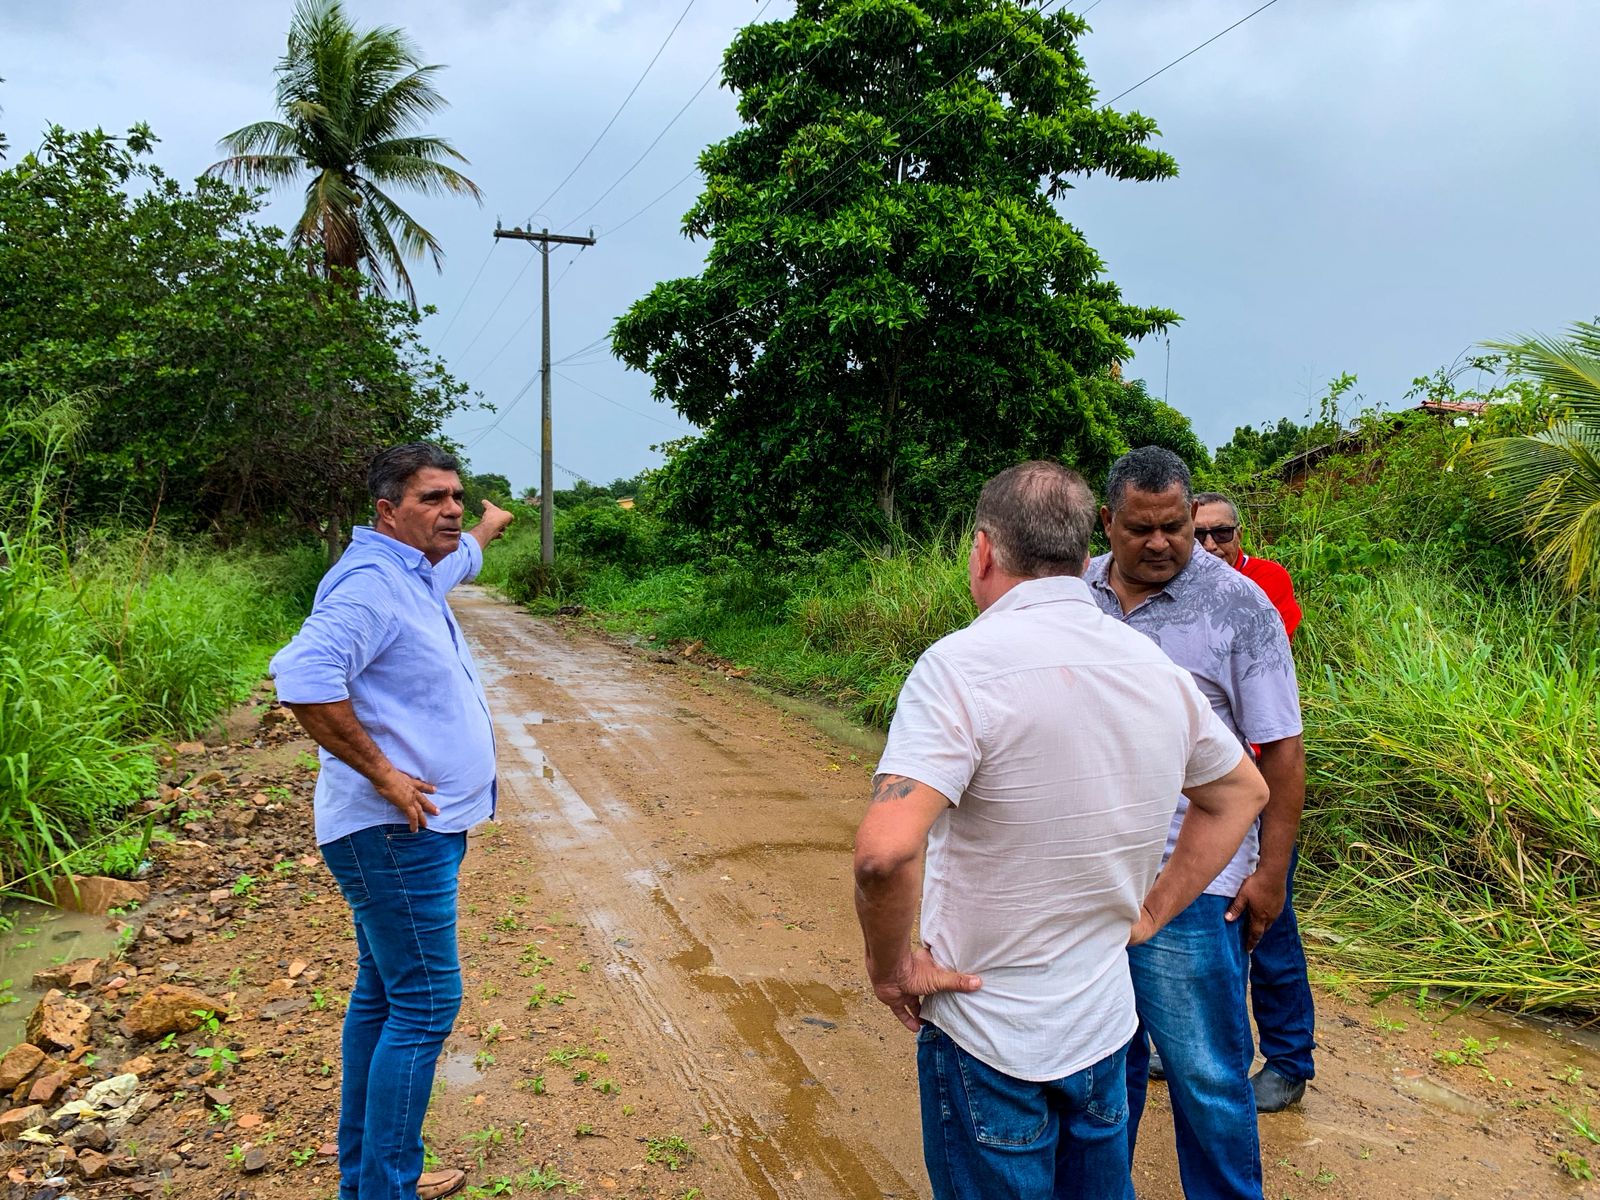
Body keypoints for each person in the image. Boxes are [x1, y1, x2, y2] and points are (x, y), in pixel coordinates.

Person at [853, 461, 1270, 1200]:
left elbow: (885, 853)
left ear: (982, 550)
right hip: (1103, 1028)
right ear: (1088, 551)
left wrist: (894, 970)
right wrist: (1153, 911)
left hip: (988, 1031)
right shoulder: (1150, 666)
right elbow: (1242, 794)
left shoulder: (960, 666)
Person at [270, 443, 514, 1200]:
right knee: (428, 1001)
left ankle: (366, 1180)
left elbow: (458, 559)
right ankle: (384, 1188)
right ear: (387, 511)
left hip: (409, 837)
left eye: (456, 497)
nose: (448, 510)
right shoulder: (373, 582)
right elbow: (304, 676)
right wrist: (383, 773)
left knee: (383, 993)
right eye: (431, 498)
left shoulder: (415, 569)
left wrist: (488, 528)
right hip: (392, 833)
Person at [1086, 447, 1306, 1200]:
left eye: (1176, 527)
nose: (1161, 544)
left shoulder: (1238, 606)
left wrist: (1270, 874)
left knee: (1206, 1073)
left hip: (1196, 876)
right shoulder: (1072, 591)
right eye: (1141, 529)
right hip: (1091, 874)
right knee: (1102, 1069)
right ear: (1107, 522)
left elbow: (1279, 750)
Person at [1192, 491, 1314, 1112]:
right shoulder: (1177, 593)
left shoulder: (1261, 587)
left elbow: (1263, 676)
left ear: (1240, 534)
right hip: (1206, 794)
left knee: (1267, 924)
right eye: (1201, 536)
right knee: (1204, 924)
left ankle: (1290, 1060)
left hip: (1260, 786)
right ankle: (1206, 1048)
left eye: (1223, 533)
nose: (1212, 546)